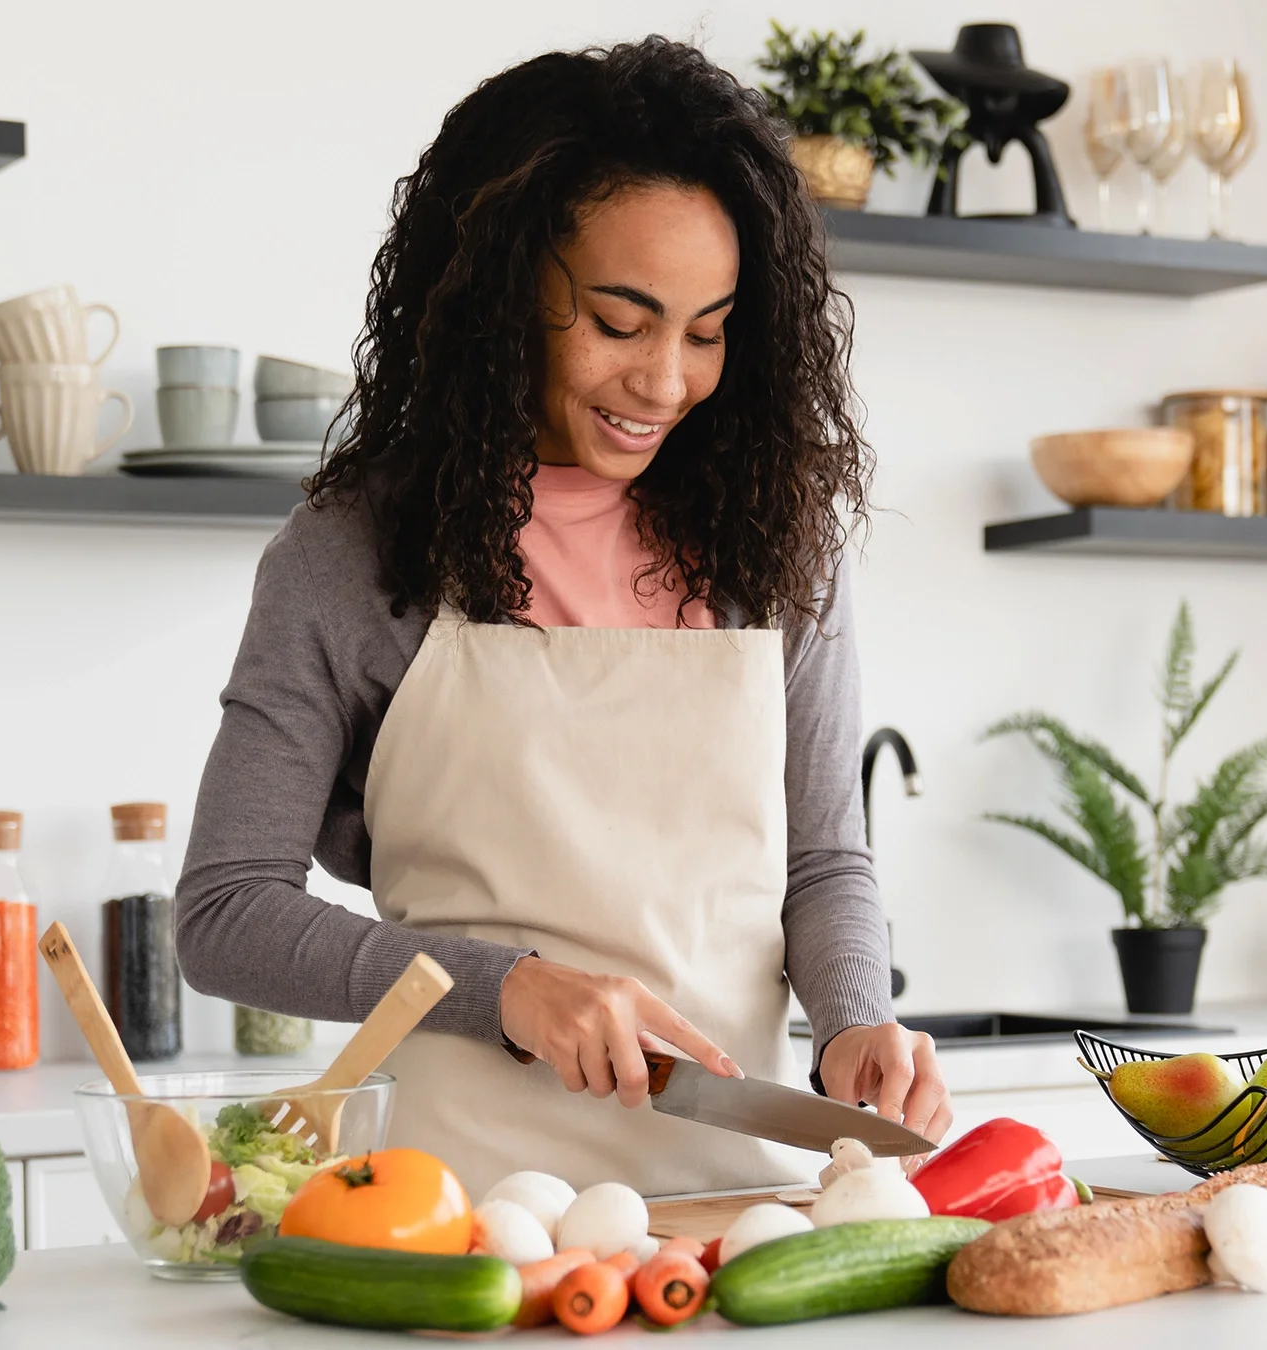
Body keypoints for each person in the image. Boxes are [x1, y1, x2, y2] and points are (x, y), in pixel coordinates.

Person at [176, 37, 947, 1197]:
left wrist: (855, 1025)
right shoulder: (351, 554)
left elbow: (824, 859)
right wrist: (508, 987)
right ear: (501, 290)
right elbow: (227, 913)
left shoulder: (774, 546)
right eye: (621, 321)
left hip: (739, 1201)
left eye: (708, 329)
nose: (666, 382)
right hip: (457, 1207)